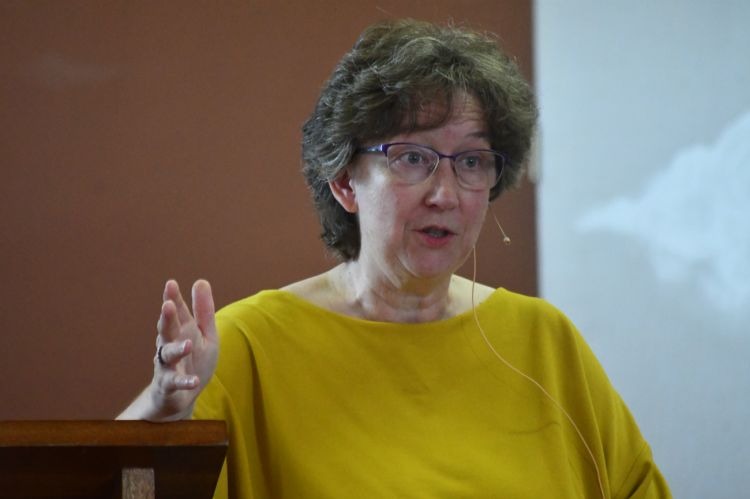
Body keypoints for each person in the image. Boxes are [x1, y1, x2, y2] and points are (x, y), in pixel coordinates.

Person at [119, 19, 671, 498]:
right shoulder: (248, 345)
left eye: (473, 162)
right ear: (344, 182)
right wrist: (163, 417)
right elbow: (119, 483)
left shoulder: (546, 342)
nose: (446, 194)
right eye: (413, 157)